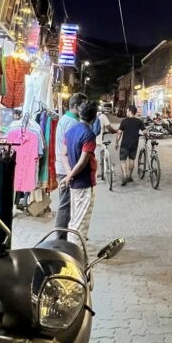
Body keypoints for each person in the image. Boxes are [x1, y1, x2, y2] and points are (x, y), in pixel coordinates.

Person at [60, 100, 99, 247]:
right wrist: (70, 176)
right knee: (80, 225)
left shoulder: (70, 131)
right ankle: (75, 256)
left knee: (74, 220)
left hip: (74, 183)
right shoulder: (89, 135)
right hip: (84, 183)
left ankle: (73, 252)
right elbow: (83, 162)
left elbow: (63, 154)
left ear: (80, 114)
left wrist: (69, 174)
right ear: (94, 118)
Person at [54, 93, 86, 236]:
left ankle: (65, 236)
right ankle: (60, 239)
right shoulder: (72, 123)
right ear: (75, 106)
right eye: (83, 105)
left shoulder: (64, 119)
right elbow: (71, 149)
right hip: (66, 170)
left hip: (63, 167)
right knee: (65, 206)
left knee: (67, 204)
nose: (84, 108)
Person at [116, 104, 144, 187]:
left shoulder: (124, 121)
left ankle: (125, 175)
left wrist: (117, 142)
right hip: (134, 144)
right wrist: (147, 135)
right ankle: (129, 176)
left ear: (130, 111)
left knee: (123, 160)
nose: (126, 112)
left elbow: (119, 133)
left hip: (124, 144)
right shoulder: (139, 121)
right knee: (132, 160)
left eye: (127, 111)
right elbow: (145, 131)